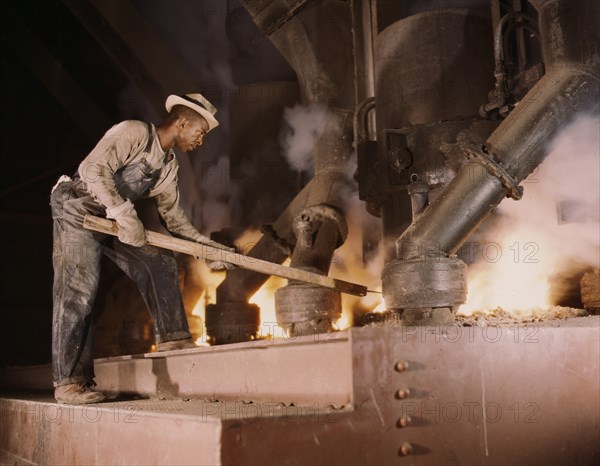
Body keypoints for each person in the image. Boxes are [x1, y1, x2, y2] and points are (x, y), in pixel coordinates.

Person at [50, 93, 232, 404]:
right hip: (77, 209)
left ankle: (174, 340)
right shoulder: (133, 132)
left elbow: (175, 222)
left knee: (160, 262)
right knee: (79, 289)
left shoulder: (167, 166)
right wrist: (123, 212)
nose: (200, 141)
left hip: (113, 219)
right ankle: (69, 382)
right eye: (199, 133)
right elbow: (93, 170)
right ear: (182, 122)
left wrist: (206, 248)